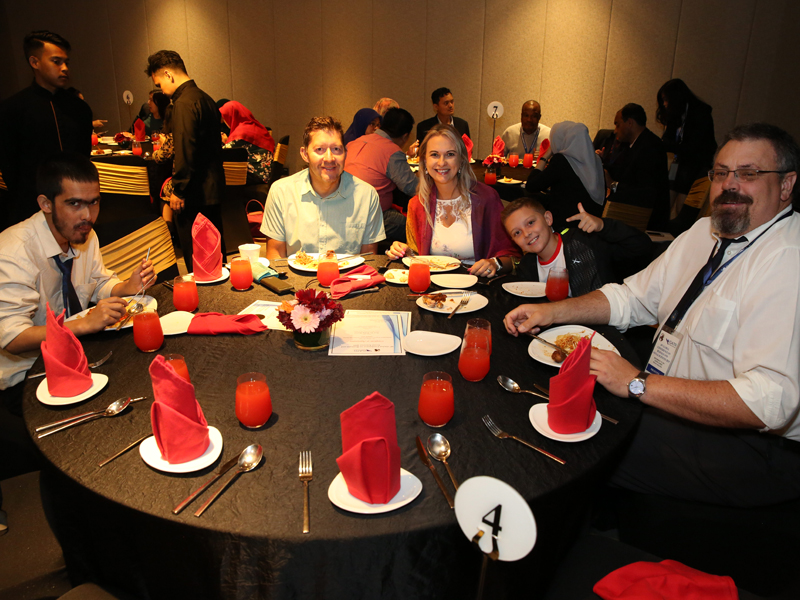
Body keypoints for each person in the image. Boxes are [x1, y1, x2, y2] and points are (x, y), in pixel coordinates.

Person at [505, 123, 800, 508]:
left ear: (786, 185)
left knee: (576, 441)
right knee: (556, 400)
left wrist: (637, 383)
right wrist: (551, 311)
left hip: (750, 445)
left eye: (748, 173)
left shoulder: (787, 258)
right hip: (669, 398)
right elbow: (630, 298)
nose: (730, 185)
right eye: (721, 173)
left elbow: (769, 401)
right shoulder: (703, 232)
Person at [387, 124, 518, 277]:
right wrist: (404, 251)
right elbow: (418, 255)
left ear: (461, 160)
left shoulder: (486, 198)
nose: (442, 162)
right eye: (434, 155)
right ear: (424, 161)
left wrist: (495, 263)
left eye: (450, 154)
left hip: (476, 285)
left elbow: (513, 257)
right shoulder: (418, 204)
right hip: (433, 286)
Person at [0, 30, 93, 229]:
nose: (65, 68)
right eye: (56, 62)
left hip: (77, 203)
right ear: (35, 62)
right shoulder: (12, 109)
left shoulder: (79, 109)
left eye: (66, 62)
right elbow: (9, 166)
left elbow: (84, 157)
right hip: (30, 207)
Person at [145, 50, 225, 272]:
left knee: (197, 259)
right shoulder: (206, 99)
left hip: (194, 192)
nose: (162, 90)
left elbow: (185, 149)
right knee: (215, 255)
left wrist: (179, 190)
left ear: (168, 75)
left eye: (159, 84)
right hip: (213, 189)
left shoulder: (182, 103)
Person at [260, 116, 385, 258]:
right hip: (294, 272)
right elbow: (275, 256)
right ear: (305, 154)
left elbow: (369, 258)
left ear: (345, 153)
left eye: (336, 149)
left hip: (349, 273)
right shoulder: (281, 192)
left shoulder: (366, 195)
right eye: (319, 149)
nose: (329, 158)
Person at [502, 197, 652, 296]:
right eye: (517, 232)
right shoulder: (528, 267)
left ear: (547, 218)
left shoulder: (584, 242)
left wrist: (603, 226)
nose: (526, 233)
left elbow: (642, 247)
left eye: (530, 223)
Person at [344, 107, 419, 243]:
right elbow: (412, 188)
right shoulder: (392, 151)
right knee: (415, 227)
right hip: (371, 215)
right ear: (405, 136)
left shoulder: (355, 142)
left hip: (345, 210)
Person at [525, 121, 606, 230]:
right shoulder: (596, 160)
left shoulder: (562, 160)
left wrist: (546, 155)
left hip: (566, 225)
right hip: (591, 223)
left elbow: (531, 185)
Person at [604, 103, 670, 230]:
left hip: (646, 219)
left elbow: (644, 191)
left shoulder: (650, 147)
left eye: (617, 125)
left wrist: (613, 184)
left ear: (629, 123)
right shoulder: (637, 144)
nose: (615, 131)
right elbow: (623, 171)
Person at [656, 79, 717, 207]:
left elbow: (693, 147)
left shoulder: (700, 113)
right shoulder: (676, 115)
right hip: (679, 164)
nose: (665, 104)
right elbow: (667, 138)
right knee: (665, 202)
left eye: (666, 99)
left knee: (682, 205)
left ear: (675, 98)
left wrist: (668, 146)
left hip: (696, 167)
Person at [220, 101, 275, 185]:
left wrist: (224, 141)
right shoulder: (256, 127)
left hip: (256, 176)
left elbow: (224, 153)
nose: (225, 122)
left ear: (232, 116)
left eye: (225, 118)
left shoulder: (241, 133)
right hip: (266, 173)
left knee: (218, 174)